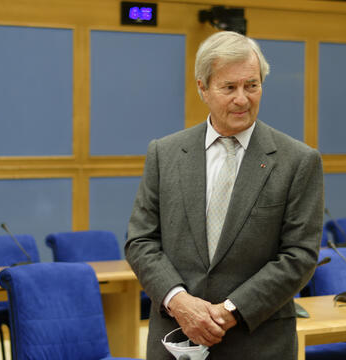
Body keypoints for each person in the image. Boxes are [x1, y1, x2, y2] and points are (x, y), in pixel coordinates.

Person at [125, 31, 324, 359]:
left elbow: (299, 256)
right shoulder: (165, 153)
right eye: (229, 87)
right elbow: (141, 241)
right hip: (176, 340)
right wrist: (180, 302)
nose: (242, 99)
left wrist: (229, 311)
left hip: (258, 341)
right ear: (202, 88)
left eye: (252, 85)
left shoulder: (298, 161)